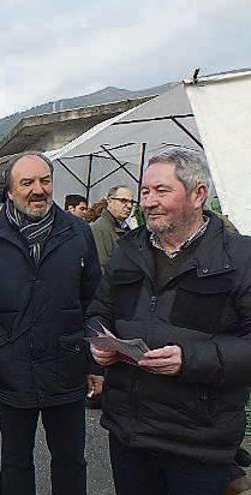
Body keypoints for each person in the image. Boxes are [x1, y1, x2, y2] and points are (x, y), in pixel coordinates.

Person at [86, 148, 251, 495]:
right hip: (129, 434)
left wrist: (189, 359)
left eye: (162, 191)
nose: (148, 202)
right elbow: (99, 311)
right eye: (145, 192)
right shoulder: (129, 250)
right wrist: (97, 344)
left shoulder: (241, 258)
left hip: (198, 442)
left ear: (198, 195)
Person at [0, 152, 102, 495]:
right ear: (10, 191)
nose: (38, 190)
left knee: (71, 460)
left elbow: (96, 300)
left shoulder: (79, 233)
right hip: (12, 370)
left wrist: (94, 361)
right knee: (15, 461)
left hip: (67, 366)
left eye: (45, 181)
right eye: (27, 183)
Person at [90, 185, 136, 268]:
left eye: (131, 202)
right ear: (109, 201)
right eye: (123, 201)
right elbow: (102, 266)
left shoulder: (125, 227)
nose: (129, 206)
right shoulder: (100, 228)